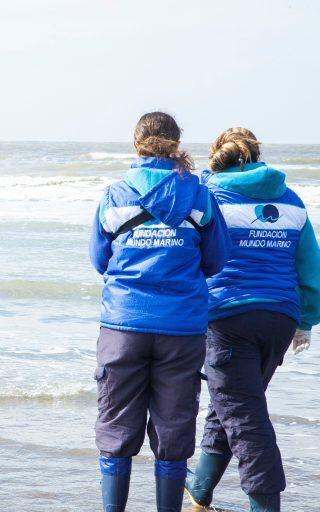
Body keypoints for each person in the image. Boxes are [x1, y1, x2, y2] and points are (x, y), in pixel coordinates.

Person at [89, 112, 230, 512]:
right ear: (176, 143)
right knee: (173, 430)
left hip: (123, 325)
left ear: (137, 144)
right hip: (181, 329)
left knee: (116, 428)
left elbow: (100, 260)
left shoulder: (116, 194)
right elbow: (217, 258)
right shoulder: (200, 194)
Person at [185, 128, 320, 512]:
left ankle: (265, 505)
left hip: (228, 318)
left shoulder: (209, 196)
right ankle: (200, 491)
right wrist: (305, 321)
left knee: (245, 420)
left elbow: (190, 255)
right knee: (232, 405)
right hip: (279, 318)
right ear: (256, 156)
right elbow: (310, 265)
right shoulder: (292, 200)